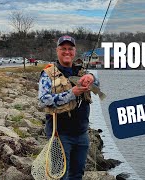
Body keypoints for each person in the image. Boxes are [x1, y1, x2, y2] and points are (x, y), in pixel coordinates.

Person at [38, 35, 99, 180]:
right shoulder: (47, 74)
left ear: (74, 51)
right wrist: (72, 93)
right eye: (63, 49)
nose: (67, 52)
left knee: (77, 174)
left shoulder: (81, 72)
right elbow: (43, 101)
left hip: (82, 134)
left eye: (70, 49)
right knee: (60, 175)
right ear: (57, 51)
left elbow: (97, 85)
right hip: (59, 134)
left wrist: (92, 77)